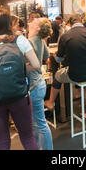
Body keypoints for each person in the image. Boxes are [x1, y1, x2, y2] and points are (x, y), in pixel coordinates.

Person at [0, 9, 40, 150]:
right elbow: (36, 65)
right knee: (28, 137)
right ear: (10, 23)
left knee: (2, 141)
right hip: (20, 96)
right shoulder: (20, 40)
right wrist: (21, 69)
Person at [44, 14, 86, 111]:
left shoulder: (65, 36)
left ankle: (51, 102)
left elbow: (58, 59)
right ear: (82, 22)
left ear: (70, 24)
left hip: (75, 75)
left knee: (58, 75)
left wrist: (56, 54)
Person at [28, 17, 54, 150]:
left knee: (40, 123)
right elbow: (47, 56)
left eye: (34, 21)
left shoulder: (29, 42)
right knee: (37, 122)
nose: (31, 21)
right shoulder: (40, 40)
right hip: (39, 82)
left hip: (34, 86)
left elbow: (31, 64)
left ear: (37, 28)